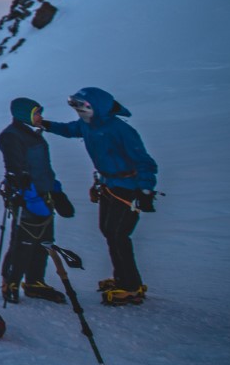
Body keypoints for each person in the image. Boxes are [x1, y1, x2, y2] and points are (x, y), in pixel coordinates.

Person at [37, 87, 158, 306]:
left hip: (128, 187)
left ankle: (131, 286)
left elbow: (144, 162)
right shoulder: (88, 125)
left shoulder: (120, 129)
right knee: (109, 231)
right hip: (108, 185)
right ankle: (122, 279)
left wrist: (145, 190)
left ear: (97, 106)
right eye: (76, 107)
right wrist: (46, 124)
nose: (79, 111)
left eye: (82, 107)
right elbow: (70, 129)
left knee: (118, 234)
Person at [0, 97, 72, 304]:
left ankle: (34, 282)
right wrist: (30, 197)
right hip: (27, 198)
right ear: (24, 114)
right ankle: (10, 282)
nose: (40, 116)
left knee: (43, 241)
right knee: (23, 242)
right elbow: (17, 172)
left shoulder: (32, 134)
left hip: (43, 195)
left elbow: (43, 168)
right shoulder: (11, 136)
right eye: (36, 113)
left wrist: (56, 191)